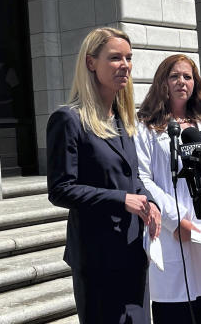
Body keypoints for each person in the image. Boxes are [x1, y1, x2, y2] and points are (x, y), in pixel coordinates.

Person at [46, 27, 160, 323]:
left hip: (132, 249)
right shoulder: (68, 119)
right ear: (90, 63)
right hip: (97, 256)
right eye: (115, 58)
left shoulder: (124, 120)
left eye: (129, 58)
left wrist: (150, 202)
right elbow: (61, 189)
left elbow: (133, 177)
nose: (125, 65)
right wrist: (121, 199)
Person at [135, 54, 201, 323]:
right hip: (174, 231)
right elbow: (143, 178)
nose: (182, 81)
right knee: (176, 307)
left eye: (188, 76)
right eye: (174, 76)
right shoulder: (146, 125)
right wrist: (175, 220)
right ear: (162, 82)